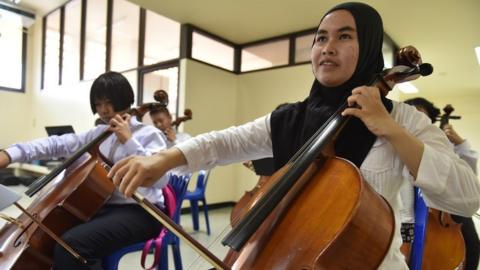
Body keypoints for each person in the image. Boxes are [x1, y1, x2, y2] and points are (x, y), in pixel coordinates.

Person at [108, 3, 480, 269]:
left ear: (367, 48)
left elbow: (466, 197)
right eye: (320, 38)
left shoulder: (405, 121)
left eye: (344, 36)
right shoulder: (291, 117)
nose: (327, 47)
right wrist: (162, 158)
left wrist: (391, 129)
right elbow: (226, 141)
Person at [0, 71, 169, 269]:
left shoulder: (149, 134)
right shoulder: (99, 133)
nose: (103, 110)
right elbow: (56, 144)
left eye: (108, 102)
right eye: (98, 104)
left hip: (141, 212)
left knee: (72, 246)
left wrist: (129, 141)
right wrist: (10, 154)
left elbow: (161, 180)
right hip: (105, 208)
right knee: (55, 235)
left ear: (124, 98)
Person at [404, 97, 480, 270]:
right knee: (404, 251)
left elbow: (468, 177)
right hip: (407, 215)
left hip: (447, 214)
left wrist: (459, 142)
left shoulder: (440, 144)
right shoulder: (396, 144)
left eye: (421, 117)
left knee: (471, 244)